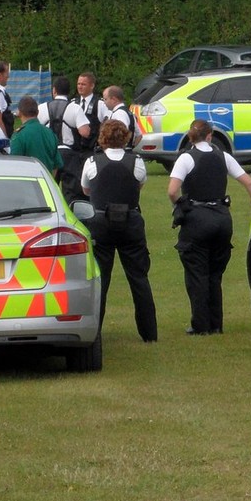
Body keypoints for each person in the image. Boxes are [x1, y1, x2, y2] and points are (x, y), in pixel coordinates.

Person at [167, 119, 251, 335]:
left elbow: (172, 190)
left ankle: (200, 325)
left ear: (191, 136)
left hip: (197, 220)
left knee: (197, 275)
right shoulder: (223, 156)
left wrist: (179, 205)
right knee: (215, 274)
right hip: (222, 219)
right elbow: (248, 182)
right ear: (210, 136)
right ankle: (216, 324)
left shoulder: (186, 158)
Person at [81, 119, 158, 343]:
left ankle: (95, 332)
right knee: (139, 278)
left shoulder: (92, 162)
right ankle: (149, 333)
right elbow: (139, 184)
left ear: (102, 138)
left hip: (101, 223)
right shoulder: (137, 161)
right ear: (125, 137)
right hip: (130, 221)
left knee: (100, 280)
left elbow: (86, 189)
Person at [39, 75, 93, 202]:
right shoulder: (75, 108)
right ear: (69, 91)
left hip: (49, 153)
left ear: (54, 90)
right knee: (71, 191)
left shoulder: (41, 108)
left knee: (48, 189)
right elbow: (85, 132)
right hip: (69, 154)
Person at [9, 96, 63, 174]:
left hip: (27, 180)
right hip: (46, 180)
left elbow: (14, 165)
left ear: (19, 113)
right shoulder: (50, 133)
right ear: (37, 112)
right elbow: (56, 165)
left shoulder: (19, 136)